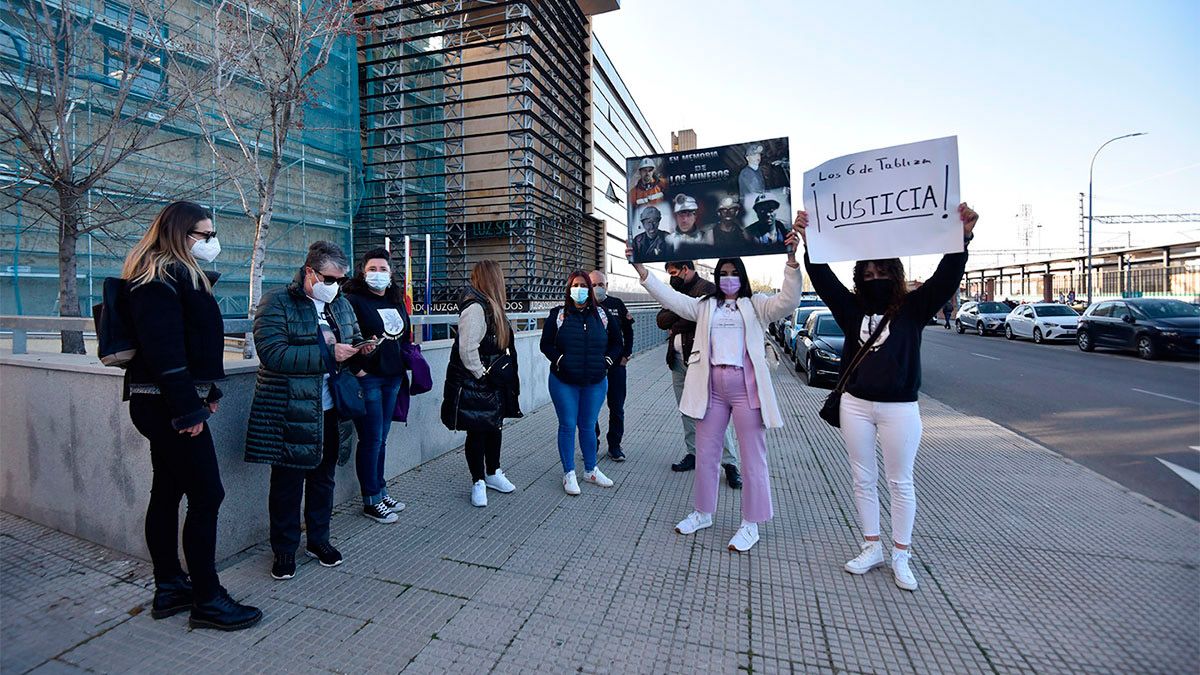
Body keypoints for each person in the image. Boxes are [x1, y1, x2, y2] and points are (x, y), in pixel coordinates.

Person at [796, 202, 979, 591]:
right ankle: (871, 547)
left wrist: (962, 237)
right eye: (867, 272)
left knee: (901, 482)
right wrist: (809, 237)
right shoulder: (850, 308)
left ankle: (901, 555)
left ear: (895, 274)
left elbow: (947, 276)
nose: (874, 276)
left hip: (900, 408)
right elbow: (821, 276)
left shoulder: (914, 307)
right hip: (856, 405)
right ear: (859, 277)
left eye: (881, 271)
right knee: (862, 479)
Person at [122, 201, 261, 631]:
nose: (212, 242)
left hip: (167, 401)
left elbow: (191, 345)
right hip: (166, 405)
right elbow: (164, 351)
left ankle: (170, 587)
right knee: (207, 495)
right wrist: (188, 410)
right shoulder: (158, 277)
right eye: (205, 234)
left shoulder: (173, 275)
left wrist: (208, 391)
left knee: (166, 491)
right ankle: (206, 597)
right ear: (180, 234)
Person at [628, 231, 803, 552]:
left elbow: (789, 301)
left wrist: (791, 262)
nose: (728, 279)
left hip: (745, 389)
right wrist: (642, 272)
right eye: (723, 274)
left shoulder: (757, 306)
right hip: (712, 389)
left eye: (734, 274)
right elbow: (674, 301)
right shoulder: (706, 306)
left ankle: (751, 524)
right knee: (707, 454)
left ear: (742, 277)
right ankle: (702, 512)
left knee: (753, 457)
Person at [246, 241, 367, 581]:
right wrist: (330, 356)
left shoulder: (340, 304)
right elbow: (273, 354)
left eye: (342, 281)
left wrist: (362, 349)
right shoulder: (277, 302)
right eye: (331, 279)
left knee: (323, 480)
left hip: (331, 409)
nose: (337, 287)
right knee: (286, 484)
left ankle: (319, 541)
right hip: (290, 409)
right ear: (310, 272)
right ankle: (284, 551)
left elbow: (353, 339)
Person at [444, 260, 521, 507]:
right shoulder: (476, 308)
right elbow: (467, 349)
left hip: (491, 383)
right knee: (477, 432)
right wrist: (482, 376)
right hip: (477, 383)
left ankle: (493, 472)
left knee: (493, 427)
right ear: (494, 279)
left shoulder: (491, 306)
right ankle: (478, 480)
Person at [657, 260, 741, 488]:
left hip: (701, 361)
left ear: (686, 269)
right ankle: (693, 454)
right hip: (676, 361)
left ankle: (730, 464)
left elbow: (701, 319)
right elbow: (660, 320)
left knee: (714, 414)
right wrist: (680, 312)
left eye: (674, 272)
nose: (671, 277)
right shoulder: (674, 291)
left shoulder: (707, 289)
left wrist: (679, 313)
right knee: (686, 410)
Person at [342, 247, 411, 524]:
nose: (378, 274)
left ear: (391, 274)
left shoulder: (395, 300)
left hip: (393, 377)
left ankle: (381, 491)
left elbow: (402, 336)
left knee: (381, 439)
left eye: (383, 269)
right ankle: (370, 499)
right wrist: (357, 369)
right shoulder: (353, 300)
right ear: (363, 272)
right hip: (367, 377)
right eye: (373, 269)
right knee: (370, 440)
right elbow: (345, 336)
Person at [541, 271, 623, 495]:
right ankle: (569, 473)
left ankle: (590, 470)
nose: (580, 289)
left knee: (588, 425)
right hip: (563, 381)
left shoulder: (603, 315)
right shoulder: (558, 315)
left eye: (584, 285)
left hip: (595, 381)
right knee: (567, 425)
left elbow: (617, 343)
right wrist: (560, 360)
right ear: (569, 289)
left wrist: (606, 361)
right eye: (575, 285)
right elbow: (546, 344)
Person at [589, 270, 634, 461]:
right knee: (591, 408)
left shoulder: (617, 305)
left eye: (601, 284)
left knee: (617, 407)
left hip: (616, 365)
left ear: (607, 286)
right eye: (594, 285)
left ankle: (615, 446)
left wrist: (626, 355)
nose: (598, 288)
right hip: (592, 366)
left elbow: (628, 331)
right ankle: (592, 444)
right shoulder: (584, 305)